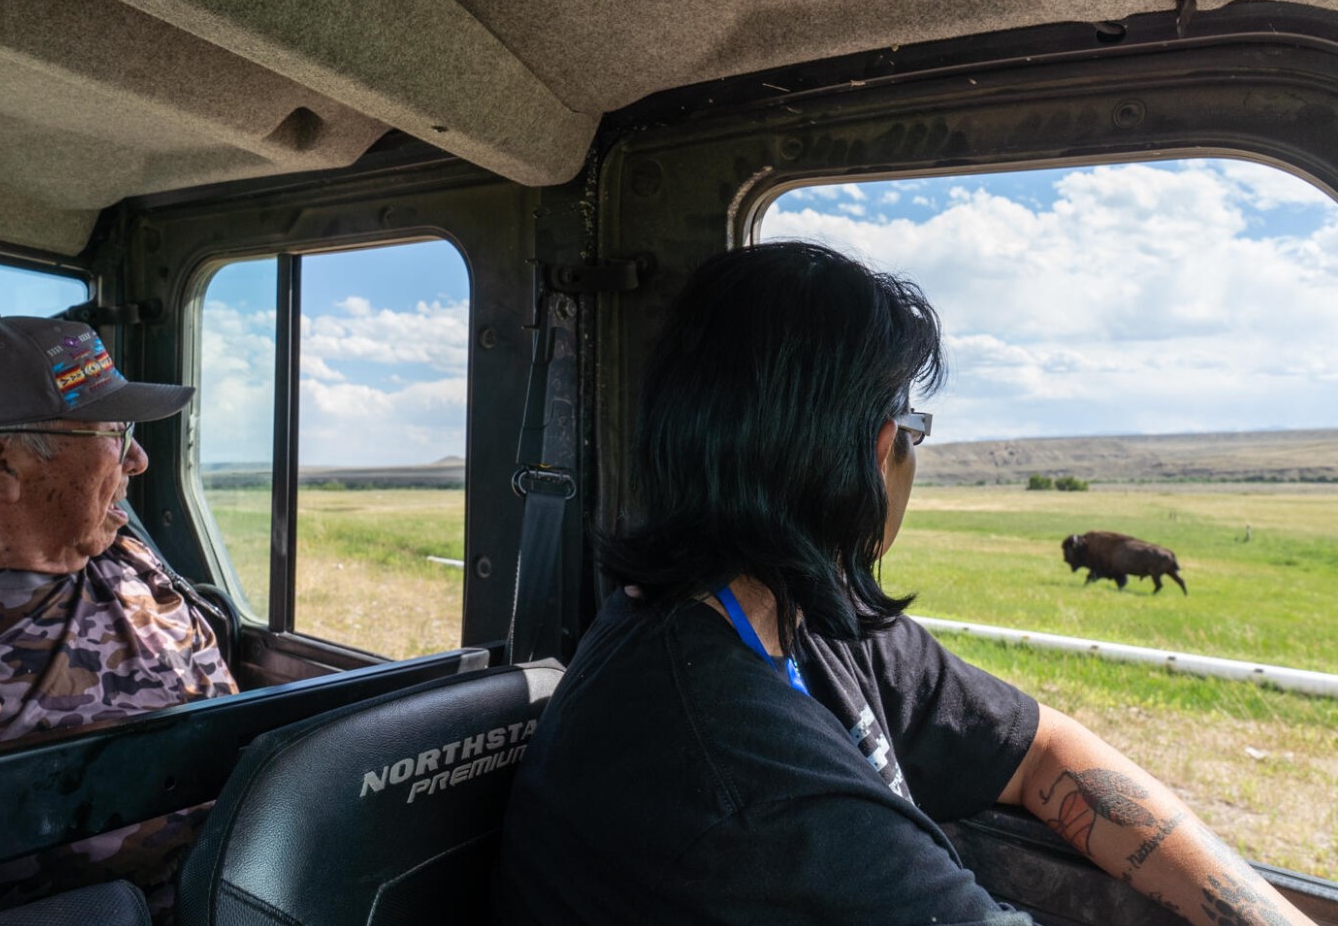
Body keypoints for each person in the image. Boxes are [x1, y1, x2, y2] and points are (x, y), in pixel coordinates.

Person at [493, 242, 1315, 926]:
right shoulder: (726, 765)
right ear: (878, 443)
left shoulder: (806, 613)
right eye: (913, 429)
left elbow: (1040, 748)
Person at [0, 314, 238, 925]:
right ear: (1, 463)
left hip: (243, 880)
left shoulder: (119, 540)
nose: (138, 460)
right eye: (114, 431)